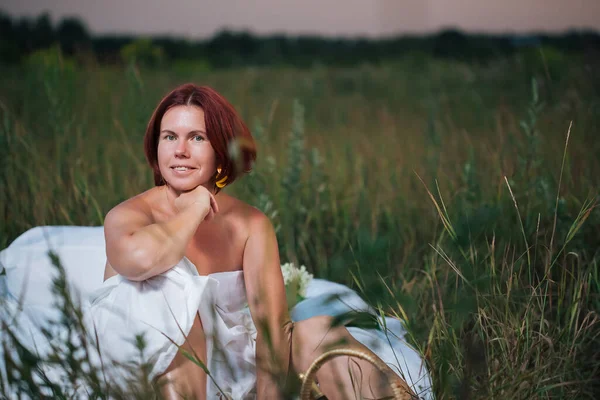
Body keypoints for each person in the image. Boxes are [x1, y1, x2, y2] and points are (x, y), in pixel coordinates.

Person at [89, 83, 425, 399]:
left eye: (197, 138)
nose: (180, 150)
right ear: (156, 146)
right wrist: (193, 208)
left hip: (237, 370)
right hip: (157, 372)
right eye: (169, 136)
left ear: (221, 151)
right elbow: (140, 261)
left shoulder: (251, 225)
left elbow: (271, 329)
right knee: (172, 305)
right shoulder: (127, 216)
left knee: (318, 329)